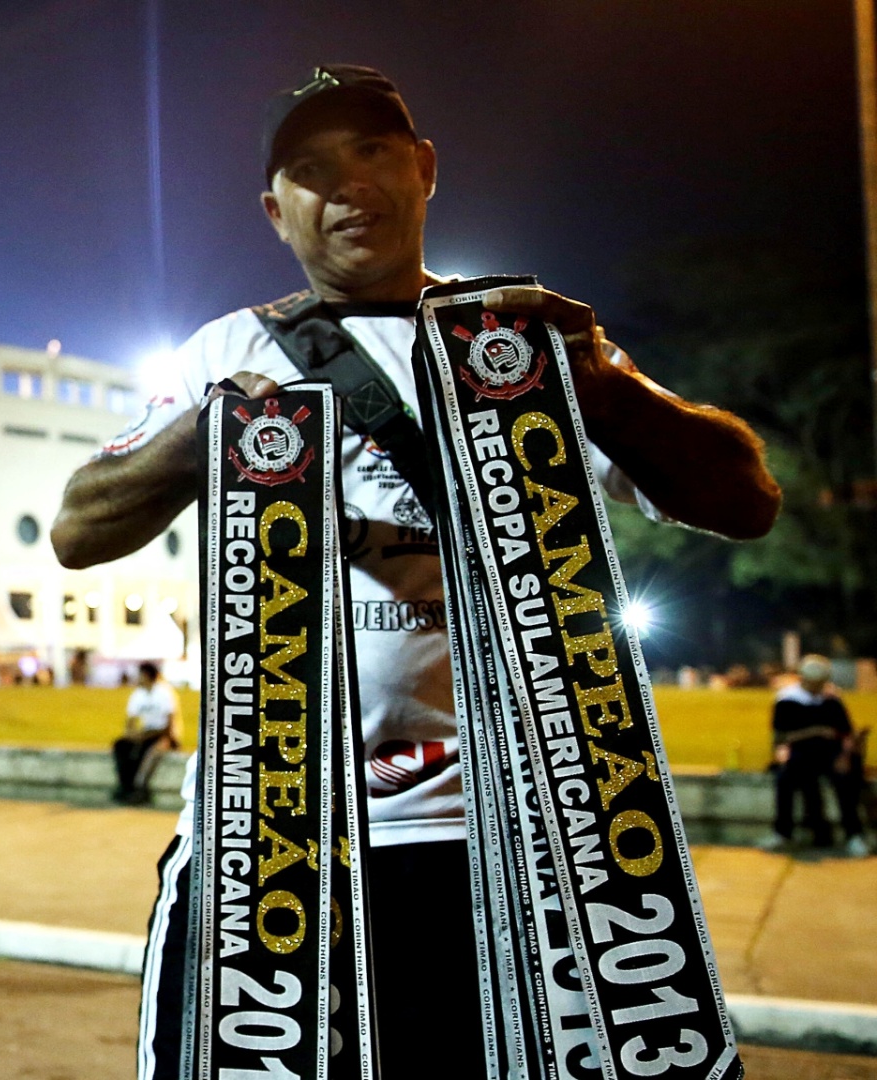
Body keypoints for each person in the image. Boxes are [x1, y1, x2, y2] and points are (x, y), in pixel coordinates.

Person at [48, 65, 781, 1077]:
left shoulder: (514, 346)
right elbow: (78, 529)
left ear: (425, 169)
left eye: (373, 152)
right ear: (276, 211)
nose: (347, 184)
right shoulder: (226, 349)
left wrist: (607, 392)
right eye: (310, 169)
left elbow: (746, 499)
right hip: (274, 841)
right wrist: (212, 430)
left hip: (518, 846)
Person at [768, 654, 869, 856]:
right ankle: (782, 833)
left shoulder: (832, 699)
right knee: (784, 779)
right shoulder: (787, 700)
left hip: (831, 754)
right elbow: (780, 738)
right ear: (802, 679)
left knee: (846, 781)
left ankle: (854, 835)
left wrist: (845, 757)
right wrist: (816, 731)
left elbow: (846, 733)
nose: (816, 687)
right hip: (800, 753)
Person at [112, 661, 179, 805]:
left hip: (163, 735)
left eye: (140, 675)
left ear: (147, 676)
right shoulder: (138, 694)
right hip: (146, 733)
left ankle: (141, 789)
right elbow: (130, 721)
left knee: (151, 754)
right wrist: (131, 735)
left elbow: (169, 724)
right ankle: (125, 786)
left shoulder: (164, 693)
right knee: (121, 746)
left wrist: (144, 736)